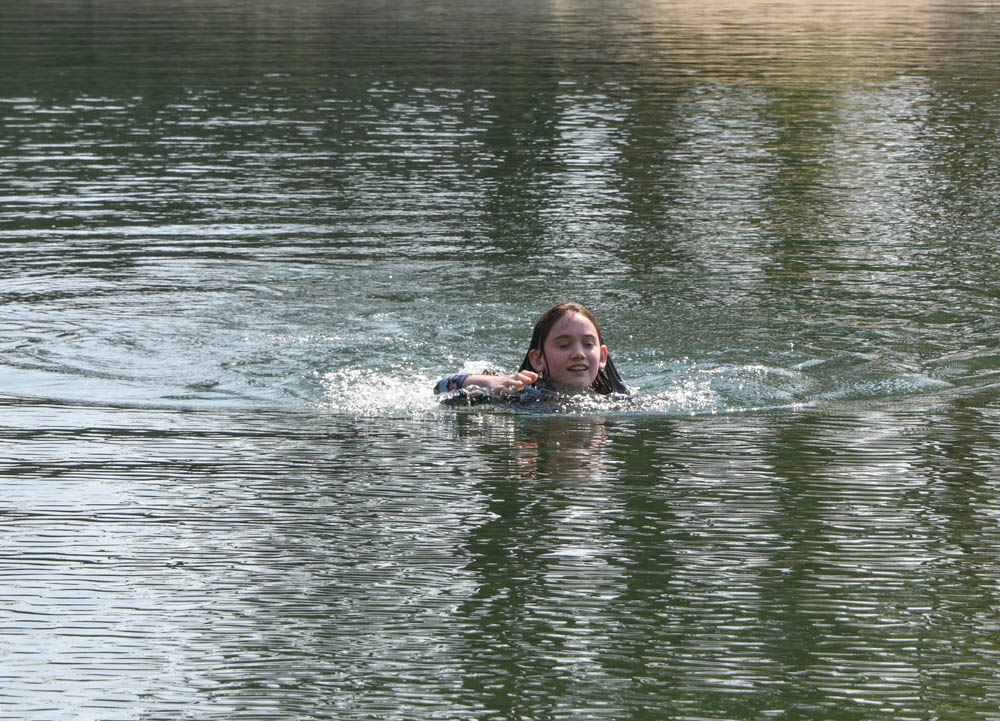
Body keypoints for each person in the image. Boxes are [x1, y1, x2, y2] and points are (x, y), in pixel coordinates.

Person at [434, 302, 628, 403]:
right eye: (563, 345)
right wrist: (492, 383)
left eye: (588, 344)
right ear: (537, 359)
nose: (578, 353)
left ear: (602, 356)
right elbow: (441, 388)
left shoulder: (621, 404)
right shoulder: (519, 398)